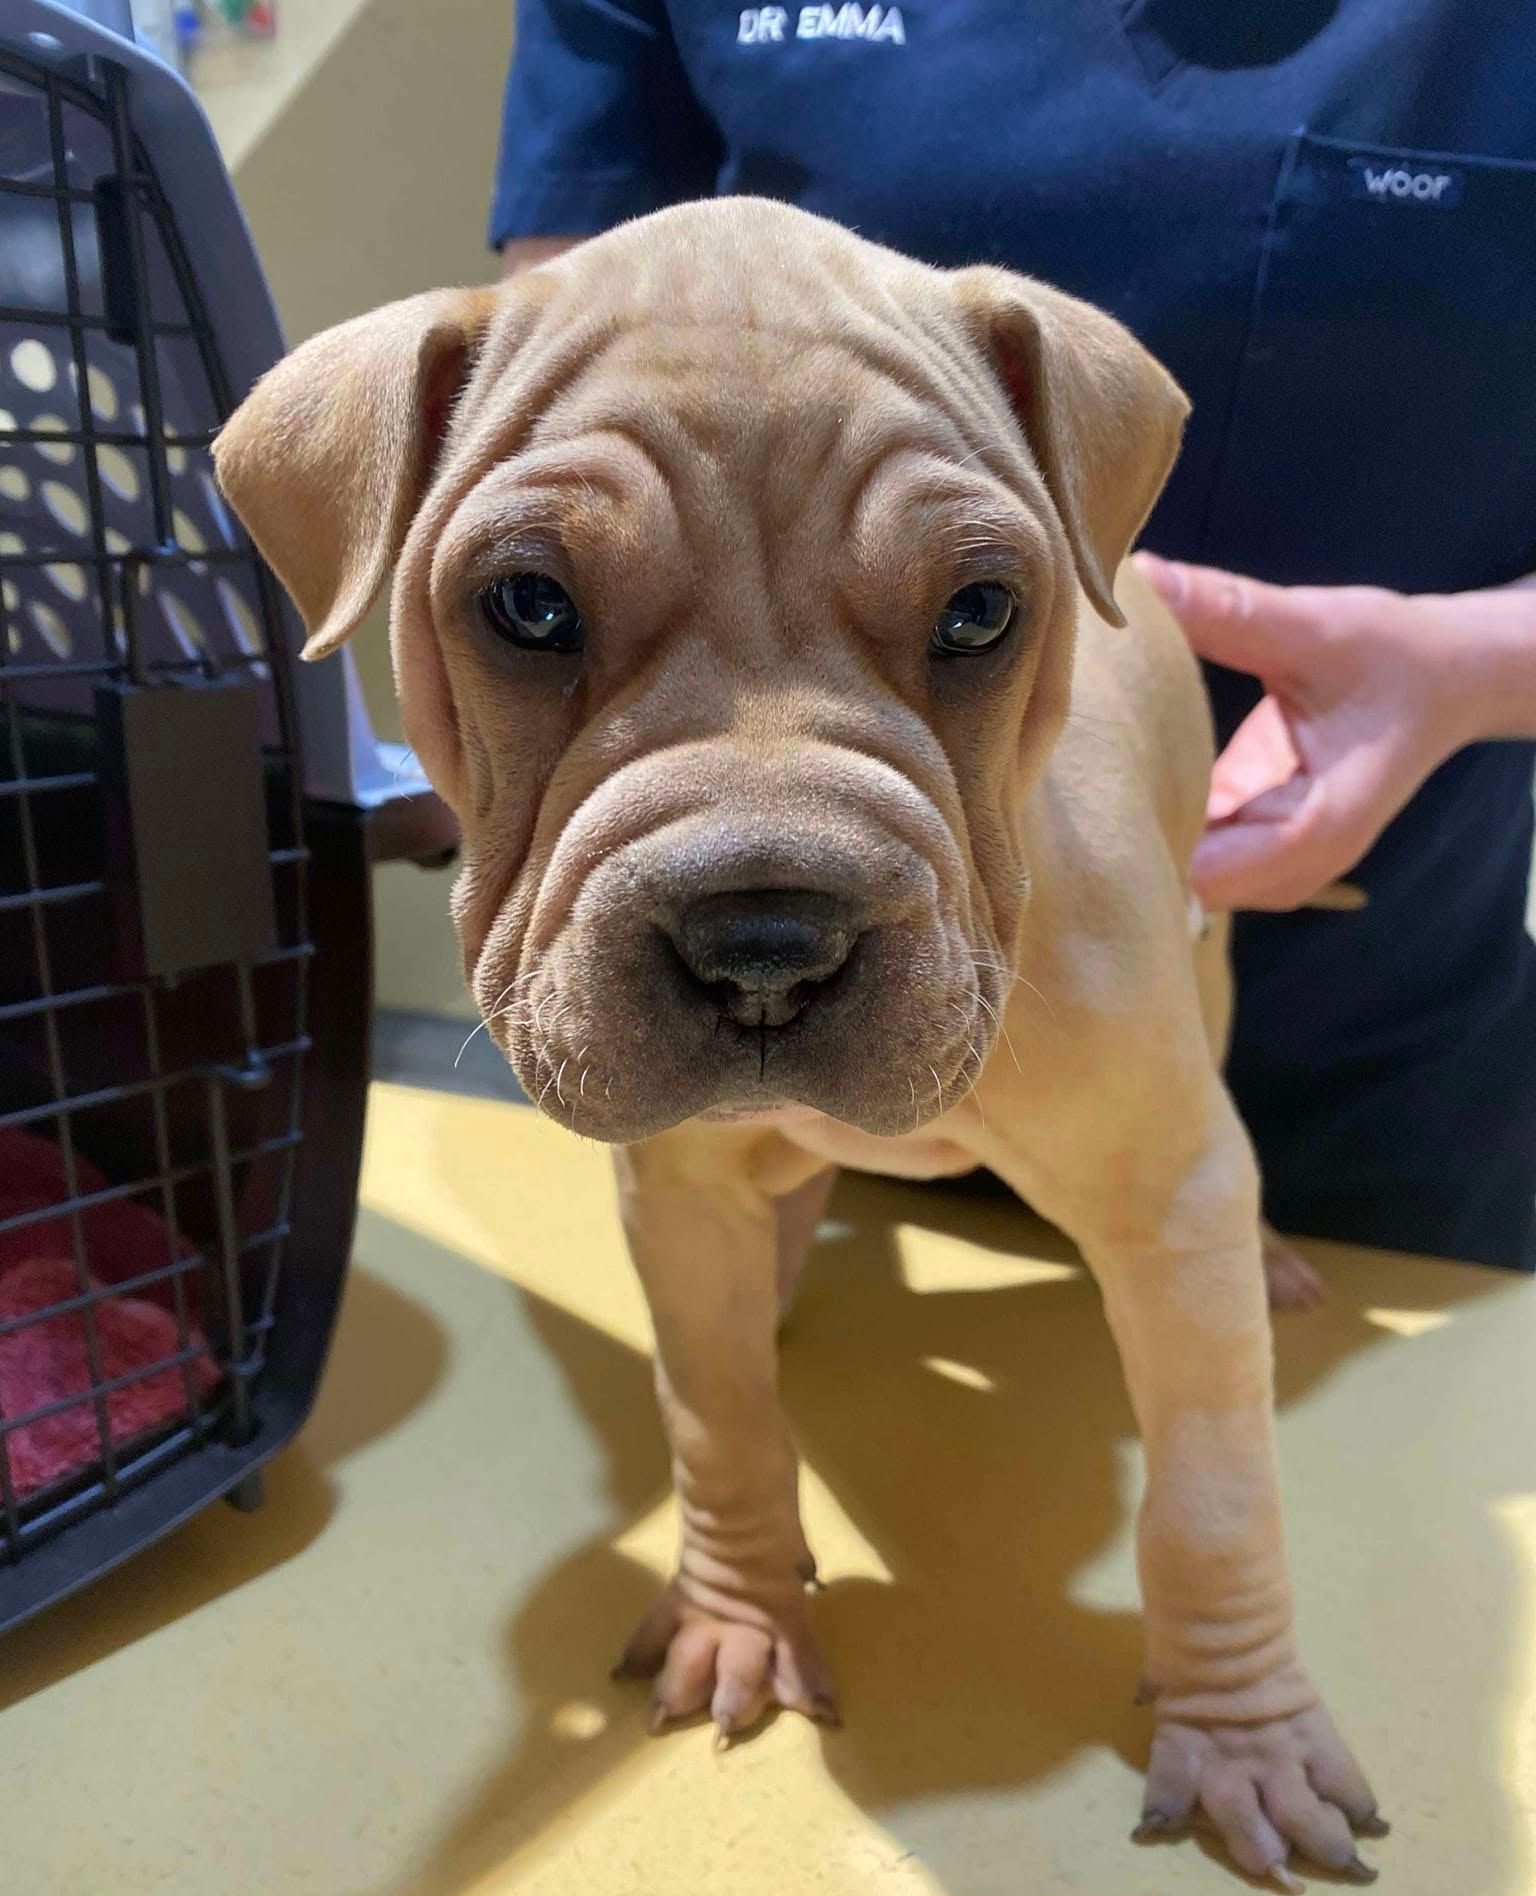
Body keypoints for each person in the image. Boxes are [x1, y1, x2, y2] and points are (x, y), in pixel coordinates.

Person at [488, 1, 1536, 1270]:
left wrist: (1484, 662)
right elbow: (545, 415)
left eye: (977, 613)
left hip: (1369, 1032)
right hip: (752, 1022)